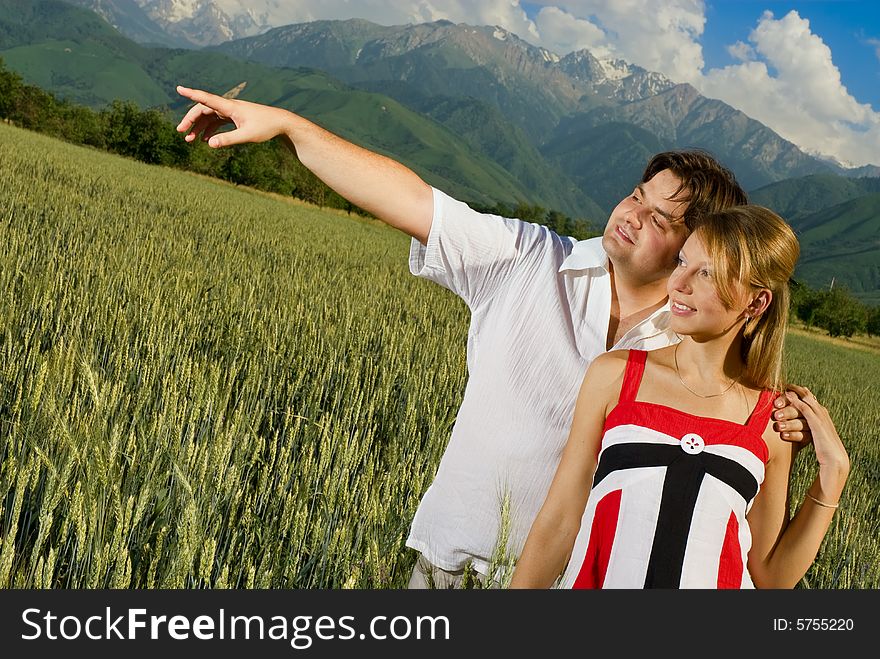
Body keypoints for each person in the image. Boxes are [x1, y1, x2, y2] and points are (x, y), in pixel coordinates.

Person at [174, 86, 817, 588]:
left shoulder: (697, 355)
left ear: (696, 246)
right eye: (635, 195)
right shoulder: (527, 257)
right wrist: (290, 127)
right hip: (448, 564)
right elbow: (409, 199)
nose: (630, 215)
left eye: (660, 218)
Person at [510, 206, 849, 588]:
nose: (679, 283)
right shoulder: (616, 375)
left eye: (706, 273)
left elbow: (771, 575)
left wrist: (832, 477)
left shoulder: (769, 420)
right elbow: (558, 521)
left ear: (756, 303)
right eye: (683, 261)